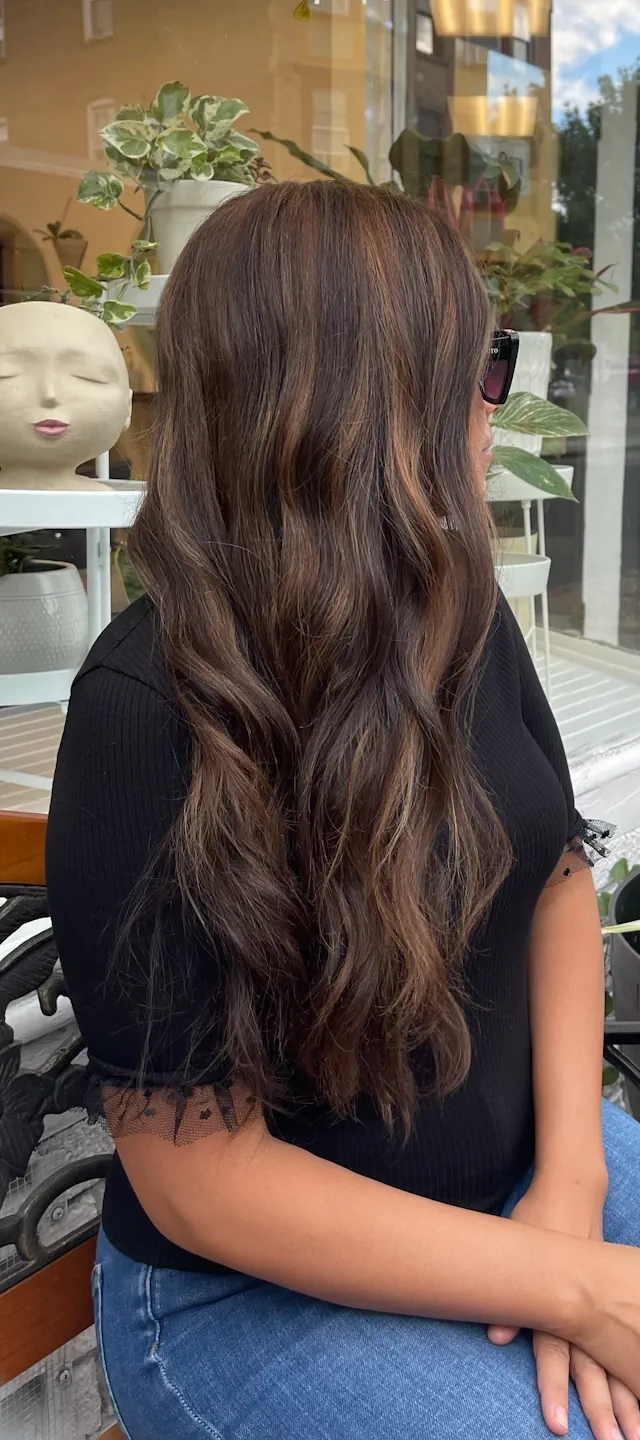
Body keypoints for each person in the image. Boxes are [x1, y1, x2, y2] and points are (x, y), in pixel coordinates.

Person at [46, 181, 640, 1440]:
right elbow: (202, 1178)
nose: (497, 400)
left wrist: (571, 1197)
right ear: (363, 400)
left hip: (526, 1181)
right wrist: (575, 1285)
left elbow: (555, 882)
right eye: (480, 363)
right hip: (243, 1291)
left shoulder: (461, 614)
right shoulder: (146, 709)